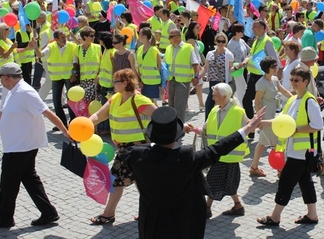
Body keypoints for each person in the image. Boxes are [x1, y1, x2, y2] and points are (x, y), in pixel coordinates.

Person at [120, 106, 265, 239]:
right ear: (177, 137)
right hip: (182, 223)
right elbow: (217, 149)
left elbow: (129, 152)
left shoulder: (136, 155)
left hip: (151, 223)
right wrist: (247, 128)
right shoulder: (185, 157)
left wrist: (156, 141)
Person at [0, 63, 69, 229]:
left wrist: (65, 131)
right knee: (30, 179)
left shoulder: (25, 91)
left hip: (21, 146)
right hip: (17, 144)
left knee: (8, 183)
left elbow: (47, 112)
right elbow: (2, 114)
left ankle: (5, 218)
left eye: (0, 77)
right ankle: (49, 213)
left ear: (6, 77)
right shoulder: (10, 91)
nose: (0, 81)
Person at [88, 69, 158, 225]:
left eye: (116, 81)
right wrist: (86, 124)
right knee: (142, 181)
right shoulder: (115, 98)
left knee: (117, 180)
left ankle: (108, 214)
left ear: (125, 83)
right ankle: (150, 211)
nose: (113, 84)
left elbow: (161, 116)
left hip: (137, 148)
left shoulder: (139, 100)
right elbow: (99, 115)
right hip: (123, 147)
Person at [257, 66, 322, 227]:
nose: (293, 83)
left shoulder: (310, 101)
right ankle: (312, 214)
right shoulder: (293, 100)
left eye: (297, 80)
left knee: (285, 182)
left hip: (303, 152)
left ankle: (275, 216)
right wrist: (262, 122)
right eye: (291, 79)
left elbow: (318, 125)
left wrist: (296, 130)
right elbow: (282, 121)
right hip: (293, 151)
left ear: (306, 82)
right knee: (305, 182)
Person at [204, 83, 251, 218]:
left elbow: (249, 127)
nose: (213, 98)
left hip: (229, 155)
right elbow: (206, 128)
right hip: (218, 154)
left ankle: (206, 208)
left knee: (212, 182)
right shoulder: (215, 110)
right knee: (228, 182)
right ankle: (238, 205)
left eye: (215, 96)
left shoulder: (238, 111)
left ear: (224, 96)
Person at [250, 57, 292, 177]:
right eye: (273, 67)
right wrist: (260, 119)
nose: (276, 68)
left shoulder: (274, 79)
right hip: (266, 116)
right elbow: (257, 102)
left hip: (273, 114)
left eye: (275, 66)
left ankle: (254, 167)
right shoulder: (261, 83)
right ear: (266, 69)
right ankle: (280, 169)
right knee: (276, 142)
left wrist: (294, 99)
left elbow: (284, 91)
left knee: (262, 142)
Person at [34, 30, 78, 128]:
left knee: (71, 100)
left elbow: (75, 61)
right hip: (56, 77)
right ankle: (61, 123)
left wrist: (74, 73)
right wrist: (35, 47)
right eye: (62, 37)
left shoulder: (72, 46)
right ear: (56, 39)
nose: (65, 39)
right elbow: (41, 55)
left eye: (65, 37)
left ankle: (73, 122)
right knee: (56, 101)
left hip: (69, 76)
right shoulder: (51, 46)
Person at [243, 20, 280, 120]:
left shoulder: (267, 41)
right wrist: (246, 61)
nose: (252, 29)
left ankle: (258, 123)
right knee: (247, 101)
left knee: (259, 101)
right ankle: (251, 124)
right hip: (254, 75)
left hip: (262, 76)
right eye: (253, 27)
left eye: (255, 27)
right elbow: (252, 55)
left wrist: (272, 75)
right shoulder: (257, 39)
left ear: (262, 28)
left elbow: (274, 59)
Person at [165, 28, 200, 123]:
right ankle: (172, 127)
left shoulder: (188, 48)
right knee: (171, 105)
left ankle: (180, 129)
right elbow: (165, 64)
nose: (169, 39)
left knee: (180, 106)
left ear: (177, 37)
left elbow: (195, 63)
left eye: (171, 37)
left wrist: (196, 76)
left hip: (183, 81)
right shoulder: (169, 48)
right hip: (171, 80)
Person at [200, 33, 234, 119]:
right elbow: (205, 67)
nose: (220, 43)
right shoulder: (210, 53)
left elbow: (231, 69)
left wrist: (238, 67)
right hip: (212, 82)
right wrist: (198, 77)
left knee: (221, 104)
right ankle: (207, 124)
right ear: (216, 41)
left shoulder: (228, 54)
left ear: (225, 42)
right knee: (209, 104)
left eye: (223, 41)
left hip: (222, 82)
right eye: (219, 41)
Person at [73, 27, 102, 102]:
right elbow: (76, 63)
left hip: (95, 79)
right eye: (91, 36)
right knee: (85, 101)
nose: (93, 37)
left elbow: (102, 63)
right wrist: (74, 74)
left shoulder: (97, 47)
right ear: (85, 37)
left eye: (94, 35)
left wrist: (98, 76)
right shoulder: (78, 48)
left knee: (96, 101)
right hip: (84, 80)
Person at [136, 27, 161, 105]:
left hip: (153, 80)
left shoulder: (154, 50)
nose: (138, 36)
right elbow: (139, 65)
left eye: (139, 34)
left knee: (151, 101)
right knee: (148, 101)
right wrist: (139, 80)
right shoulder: (140, 49)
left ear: (144, 37)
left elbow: (159, 66)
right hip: (143, 80)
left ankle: (156, 115)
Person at [226, 23, 250, 104]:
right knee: (240, 88)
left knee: (243, 88)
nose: (243, 33)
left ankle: (241, 104)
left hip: (243, 68)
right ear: (236, 32)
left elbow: (249, 51)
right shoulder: (231, 44)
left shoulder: (242, 41)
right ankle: (239, 104)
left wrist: (246, 60)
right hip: (236, 70)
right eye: (242, 31)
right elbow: (229, 58)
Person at [185, 22, 206, 110]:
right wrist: (199, 66)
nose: (199, 29)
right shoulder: (191, 41)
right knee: (189, 86)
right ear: (192, 29)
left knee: (199, 85)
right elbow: (191, 55)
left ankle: (201, 104)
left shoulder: (195, 40)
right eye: (197, 27)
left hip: (197, 64)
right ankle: (186, 105)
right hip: (193, 66)